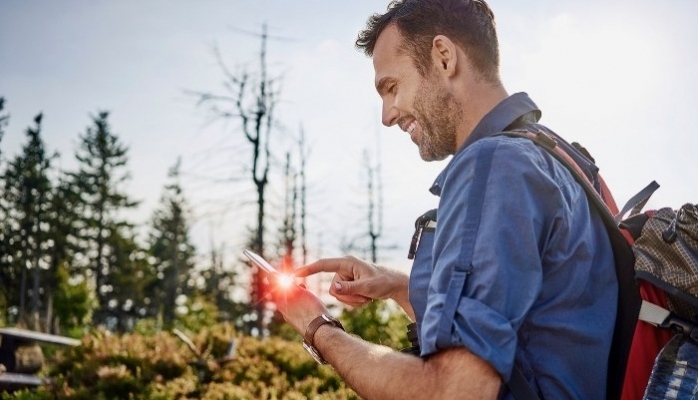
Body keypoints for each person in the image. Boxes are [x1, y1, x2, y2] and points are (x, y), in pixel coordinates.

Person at [273, 0, 618, 398]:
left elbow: (452, 392)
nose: (387, 114)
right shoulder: (557, 157)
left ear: (443, 57)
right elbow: (532, 334)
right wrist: (398, 288)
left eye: (391, 87)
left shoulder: (492, 166)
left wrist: (318, 328)